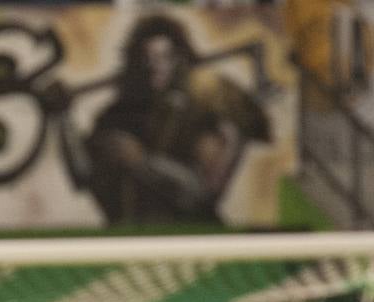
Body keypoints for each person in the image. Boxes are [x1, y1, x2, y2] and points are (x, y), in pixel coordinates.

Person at [77, 15, 270, 225]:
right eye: (147, 58)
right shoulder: (115, 115)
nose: (155, 66)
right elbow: (83, 176)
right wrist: (59, 119)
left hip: (190, 236)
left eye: (165, 57)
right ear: (136, 61)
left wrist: (141, 162)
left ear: (179, 60)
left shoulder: (201, 113)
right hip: (130, 233)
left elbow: (201, 194)